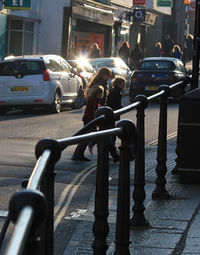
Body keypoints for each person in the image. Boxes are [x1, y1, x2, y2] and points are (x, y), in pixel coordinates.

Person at [71, 85, 104, 161]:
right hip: (90, 121)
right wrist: (96, 120)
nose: (102, 95)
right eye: (101, 94)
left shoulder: (94, 100)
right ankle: (78, 154)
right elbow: (93, 112)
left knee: (86, 138)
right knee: (86, 138)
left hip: (90, 121)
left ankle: (79, 153)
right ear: (96, 94)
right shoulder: (94, 101)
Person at [106, 76, 126, 161]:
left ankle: (112, 153)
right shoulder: (116, 93)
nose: (122, 86)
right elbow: (114, 105)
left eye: (123, 84)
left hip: (112, 116)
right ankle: (113, 154)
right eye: (121, 84)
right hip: (111, 116)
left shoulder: (116, 92)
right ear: (117, 84)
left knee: (111, 134)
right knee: (111, 135)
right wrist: (121, 108)